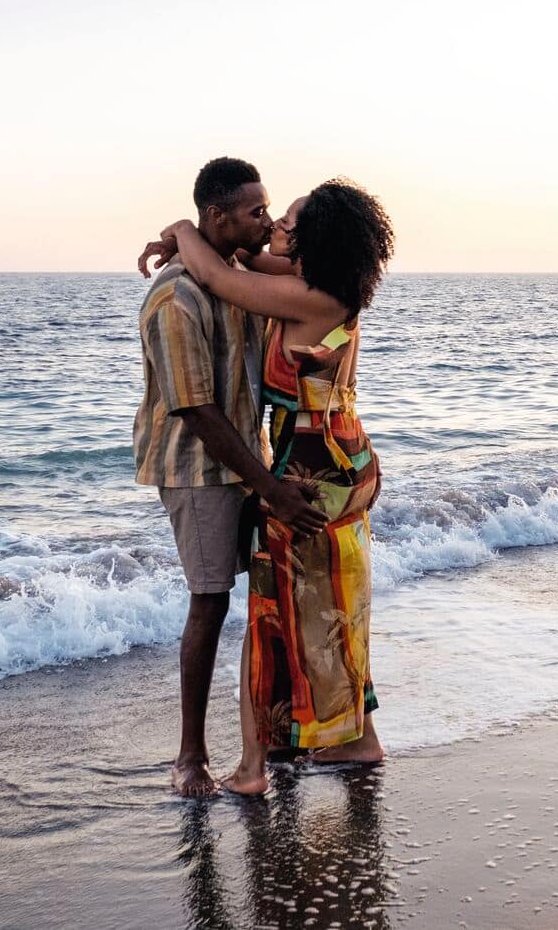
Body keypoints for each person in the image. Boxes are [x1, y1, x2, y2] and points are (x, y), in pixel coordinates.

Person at [144, 179, 394, 796]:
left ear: (312, 243)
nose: (276, 228)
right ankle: (355, 739)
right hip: (344, 456)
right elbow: (241, 261)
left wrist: (180, 229)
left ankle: (253, 769)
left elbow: (227, 280)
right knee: (336, 607)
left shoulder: (308, 295)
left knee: (270, 612)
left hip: (308, 466)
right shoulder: (332, 286)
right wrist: (200, 236)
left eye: (285, 222)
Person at [133, 157, 328, 799]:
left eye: (270, 211)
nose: (267, 222)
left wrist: (176, 230)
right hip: (202, 471)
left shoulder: (233, 275)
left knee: (264, 600)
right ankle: (190, 756)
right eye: (255, 212)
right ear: (217, 217)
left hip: (249, 464)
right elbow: (196, 410)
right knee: (211, 602)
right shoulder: (175, 295)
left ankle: (274, 737)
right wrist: (269, 488)